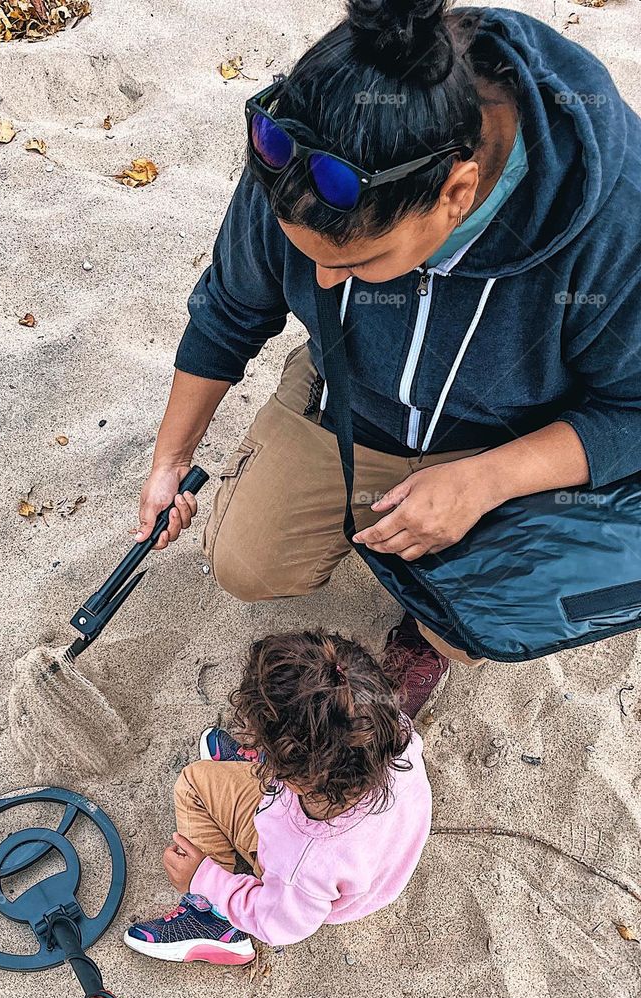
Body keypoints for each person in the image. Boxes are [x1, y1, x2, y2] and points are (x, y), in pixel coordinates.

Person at [136, 0, 641, 717]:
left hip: (513, 439)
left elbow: (632, 412)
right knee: (245, 563)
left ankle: (429, 626)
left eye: (356, 264)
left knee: (478, 620)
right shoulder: (298, 157)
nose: (322, 284)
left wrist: (486, 480)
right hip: (351, 405)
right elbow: (230, 307)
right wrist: (170, 458)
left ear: (457, 193)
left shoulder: (618, 217)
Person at [124, 631, 431, 964]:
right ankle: (265, 766)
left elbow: (275, 922)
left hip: (311, 878)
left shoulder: (301, 860)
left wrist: (203, 878)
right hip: (377, 864)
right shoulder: (387, 729)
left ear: (297, 777)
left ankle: (212, 919)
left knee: (194, 783)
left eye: (266, 748)